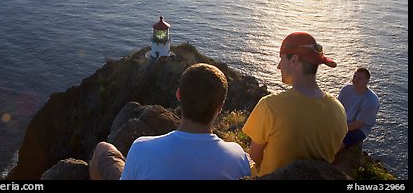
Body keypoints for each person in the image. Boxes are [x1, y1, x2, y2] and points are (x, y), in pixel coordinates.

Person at [88, 63, 252, 180]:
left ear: (179, 95)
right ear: (220, 107)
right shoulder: (238, 158)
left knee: (104, 148)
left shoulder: (141, 148)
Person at [242, 32, 348, 177]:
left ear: (294, 60)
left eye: (282, 59)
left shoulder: (271, 106)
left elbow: (254, 157)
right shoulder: (339, 110)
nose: (279, 66)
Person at [337, 67, 380, 149]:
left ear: (367, 81)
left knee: (337, 144)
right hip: (343, 122)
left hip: (359, 129)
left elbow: (358, 124)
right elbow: (337, 109)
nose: (355, 80)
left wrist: (338, 130)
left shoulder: (372, 100)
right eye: (354, 77)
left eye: (359, 78)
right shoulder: (346, 89)